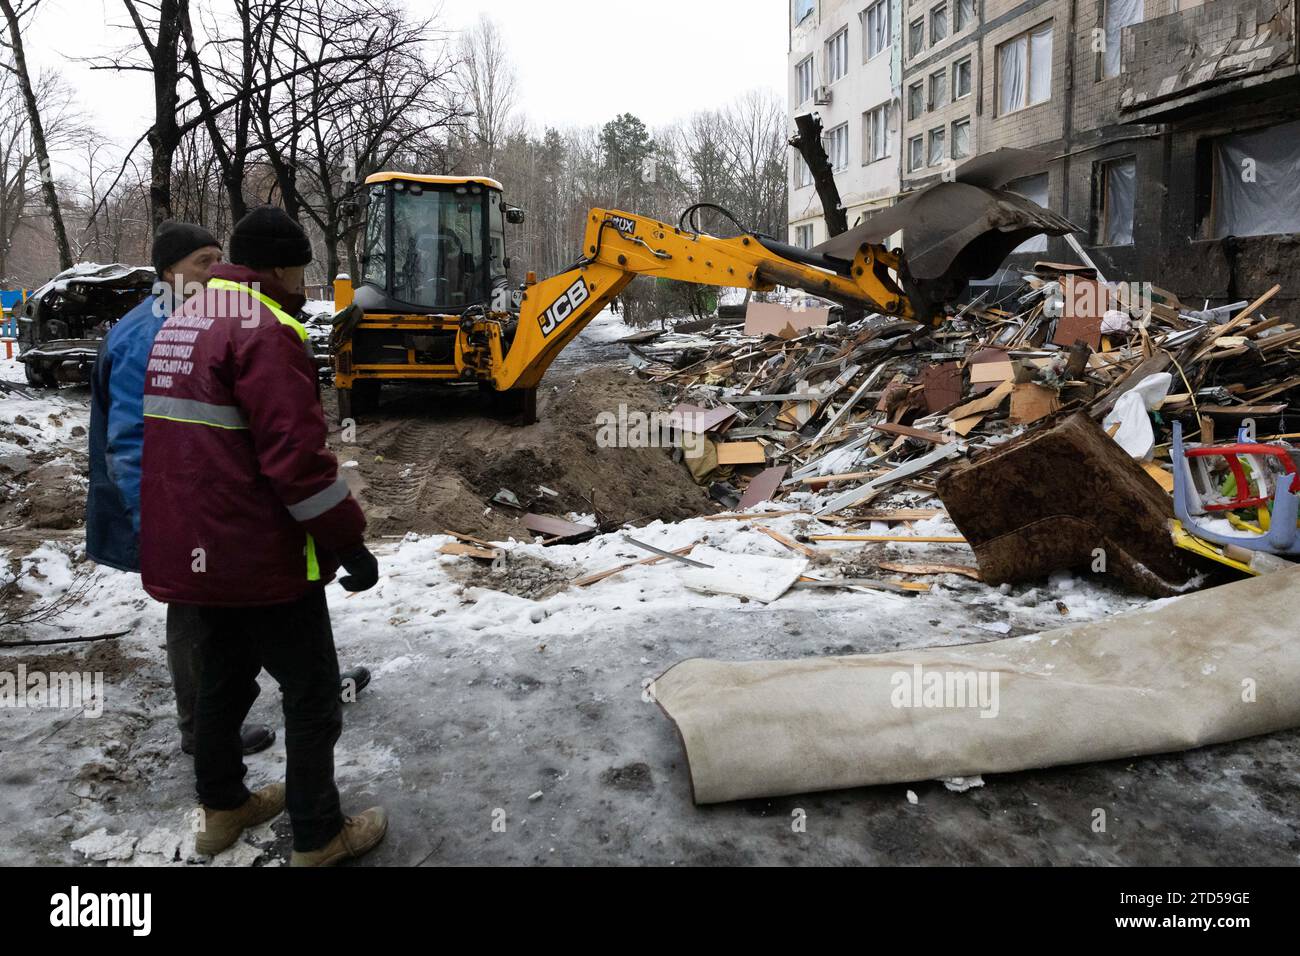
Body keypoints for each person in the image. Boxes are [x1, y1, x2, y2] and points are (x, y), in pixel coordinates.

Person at [139, 206, 387, 866]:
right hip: (257, 552)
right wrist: (347, 542)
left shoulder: (184, 318)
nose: (303, 285)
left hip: (196, 548)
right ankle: (318, 833)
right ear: (279, 267)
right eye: (300, 271)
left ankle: (220, 808)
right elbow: (296, 461)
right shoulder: (267, 331)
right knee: (312, 696)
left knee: (224, 682)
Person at [86, 221, 276, 757]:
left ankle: (304, 684)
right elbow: (128, 444)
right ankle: (200, 730)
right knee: (194, 611)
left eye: (220, 260)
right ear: (169, 272)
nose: (215, 273)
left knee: (235, 599)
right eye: (202, 263)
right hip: (171, 507)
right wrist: (158, 526)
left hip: (195, 501)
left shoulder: (187, 321)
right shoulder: (147, 335)